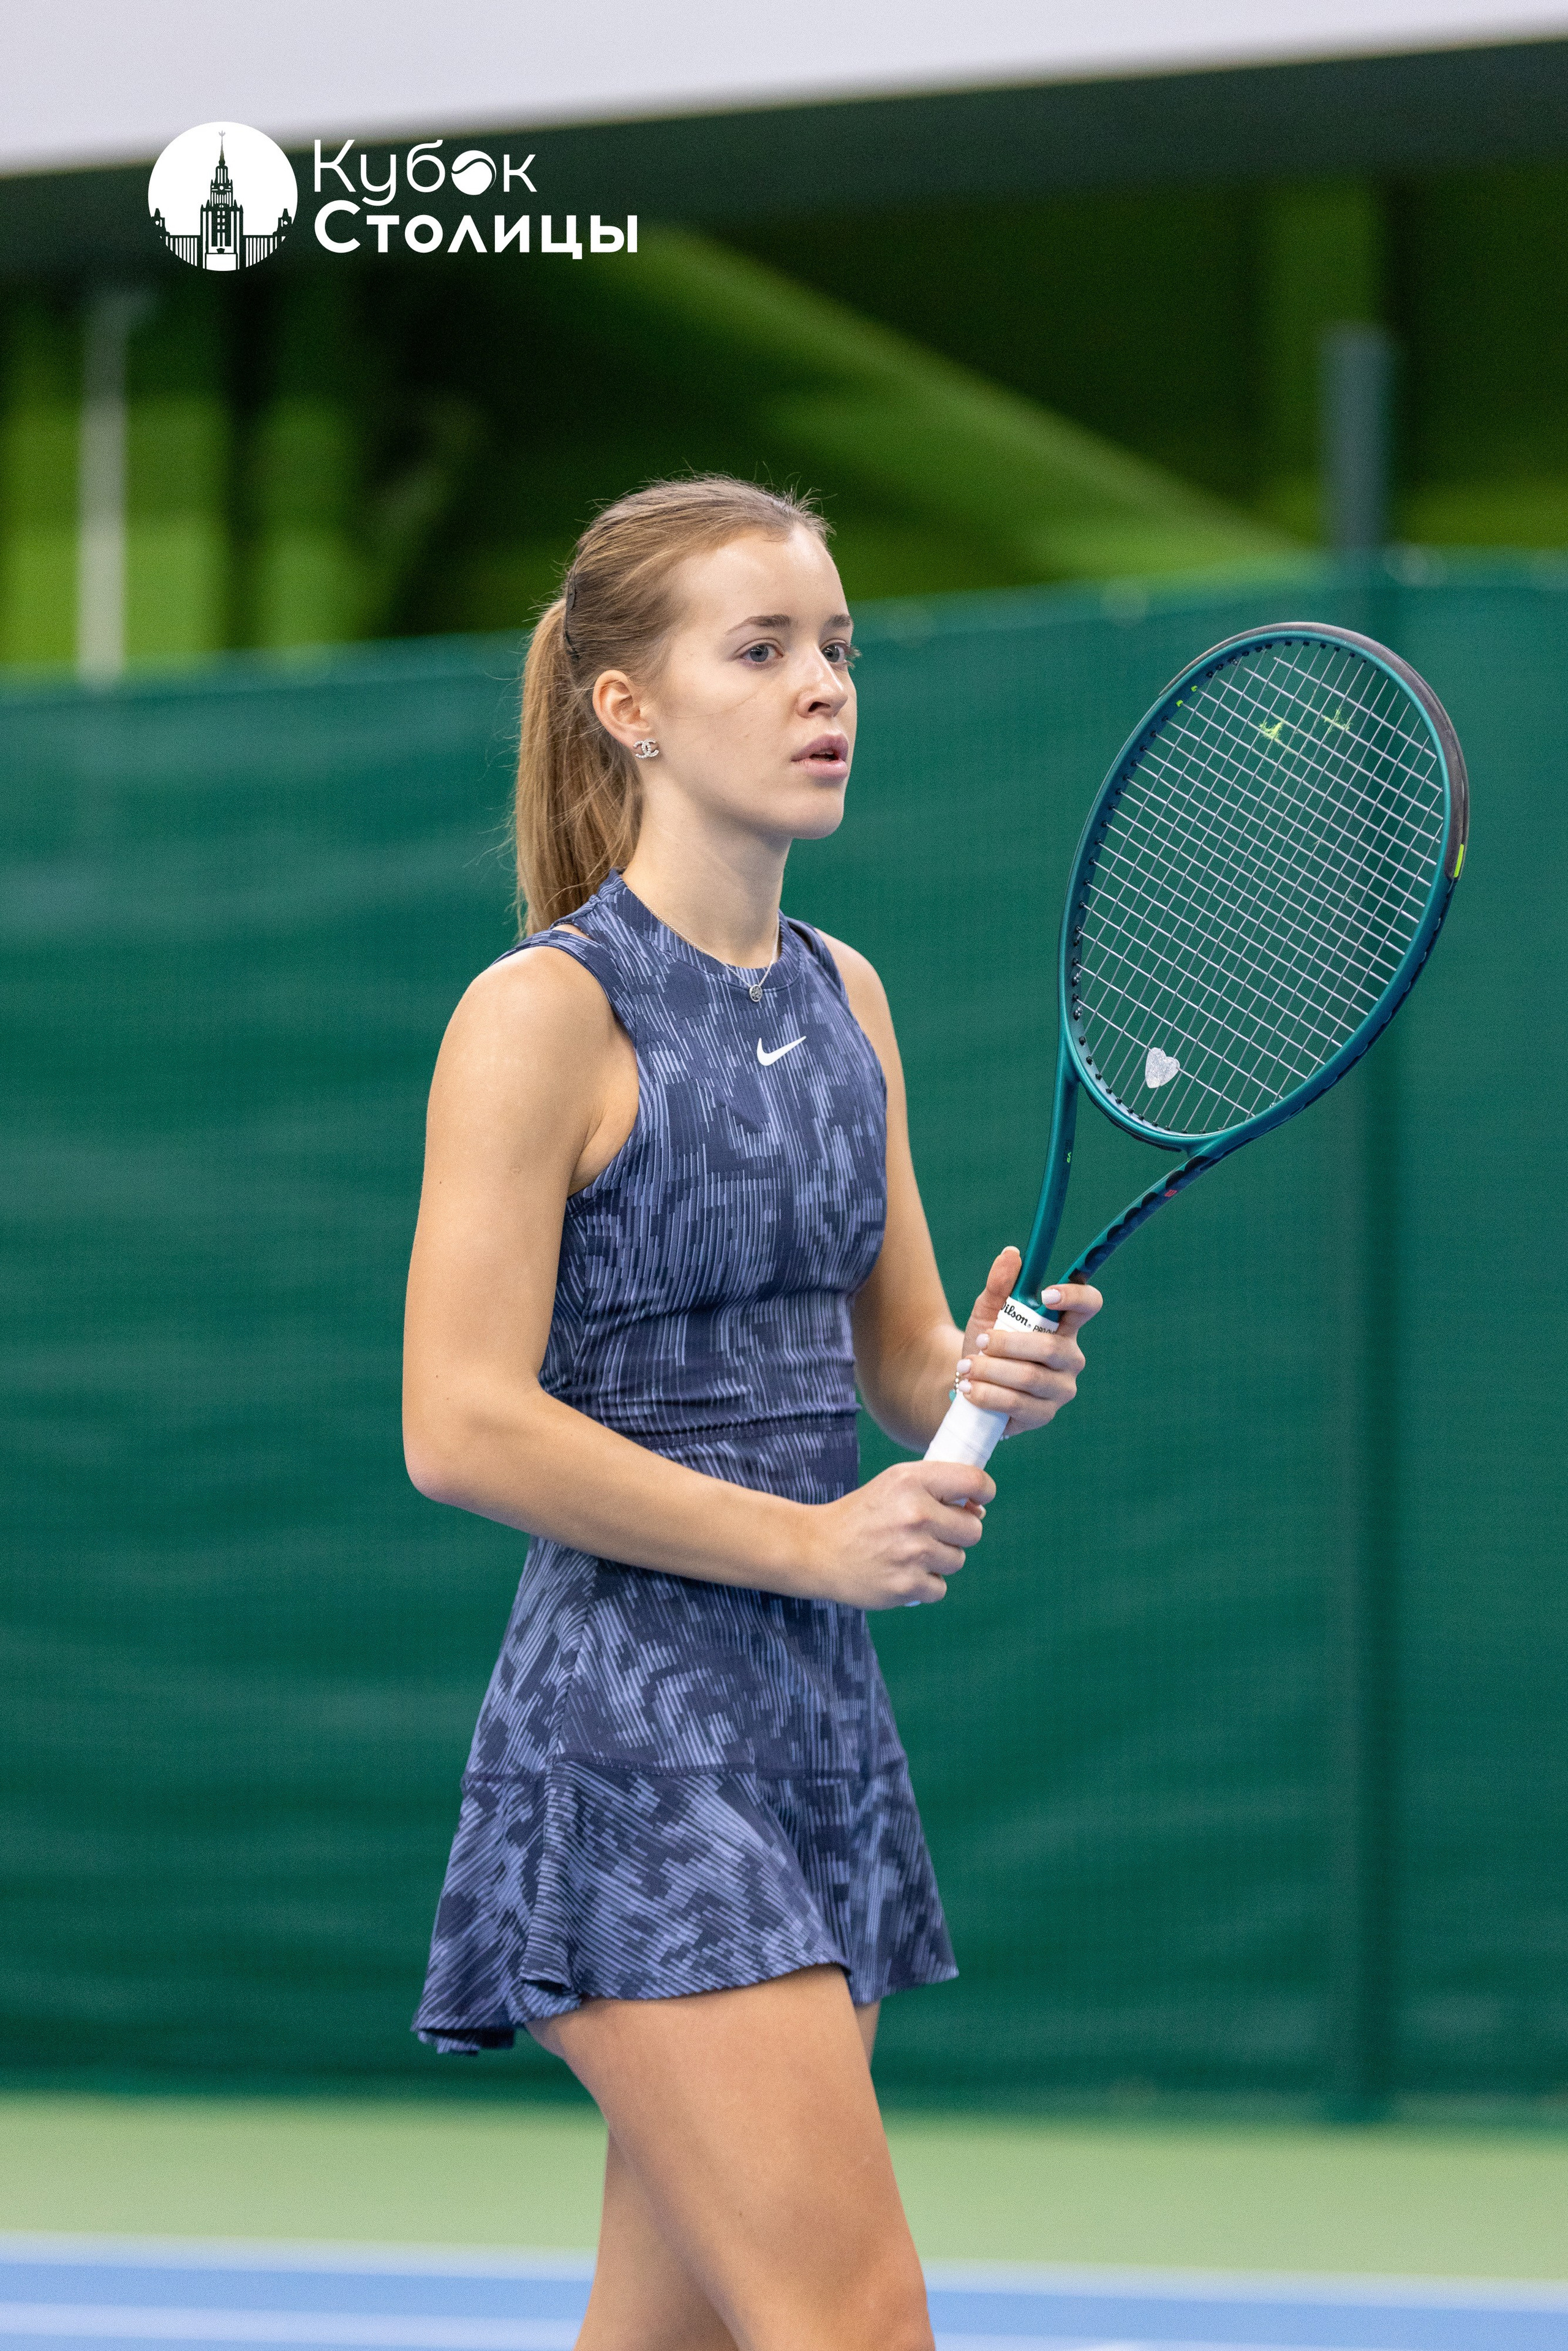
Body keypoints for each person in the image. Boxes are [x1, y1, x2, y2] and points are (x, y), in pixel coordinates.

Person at [402, 477, 1102, 2351]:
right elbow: (459, 1424)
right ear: (628, 705)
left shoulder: (842, 994)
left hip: (812, 1725)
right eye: (765, 649)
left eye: (842, 650)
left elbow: (899, 1364)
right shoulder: (541, 1016)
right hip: (632, 1744)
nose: (826, 690)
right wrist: (811, 1539)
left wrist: (990, 1376)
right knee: (858, 2322)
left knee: (678, 2337)